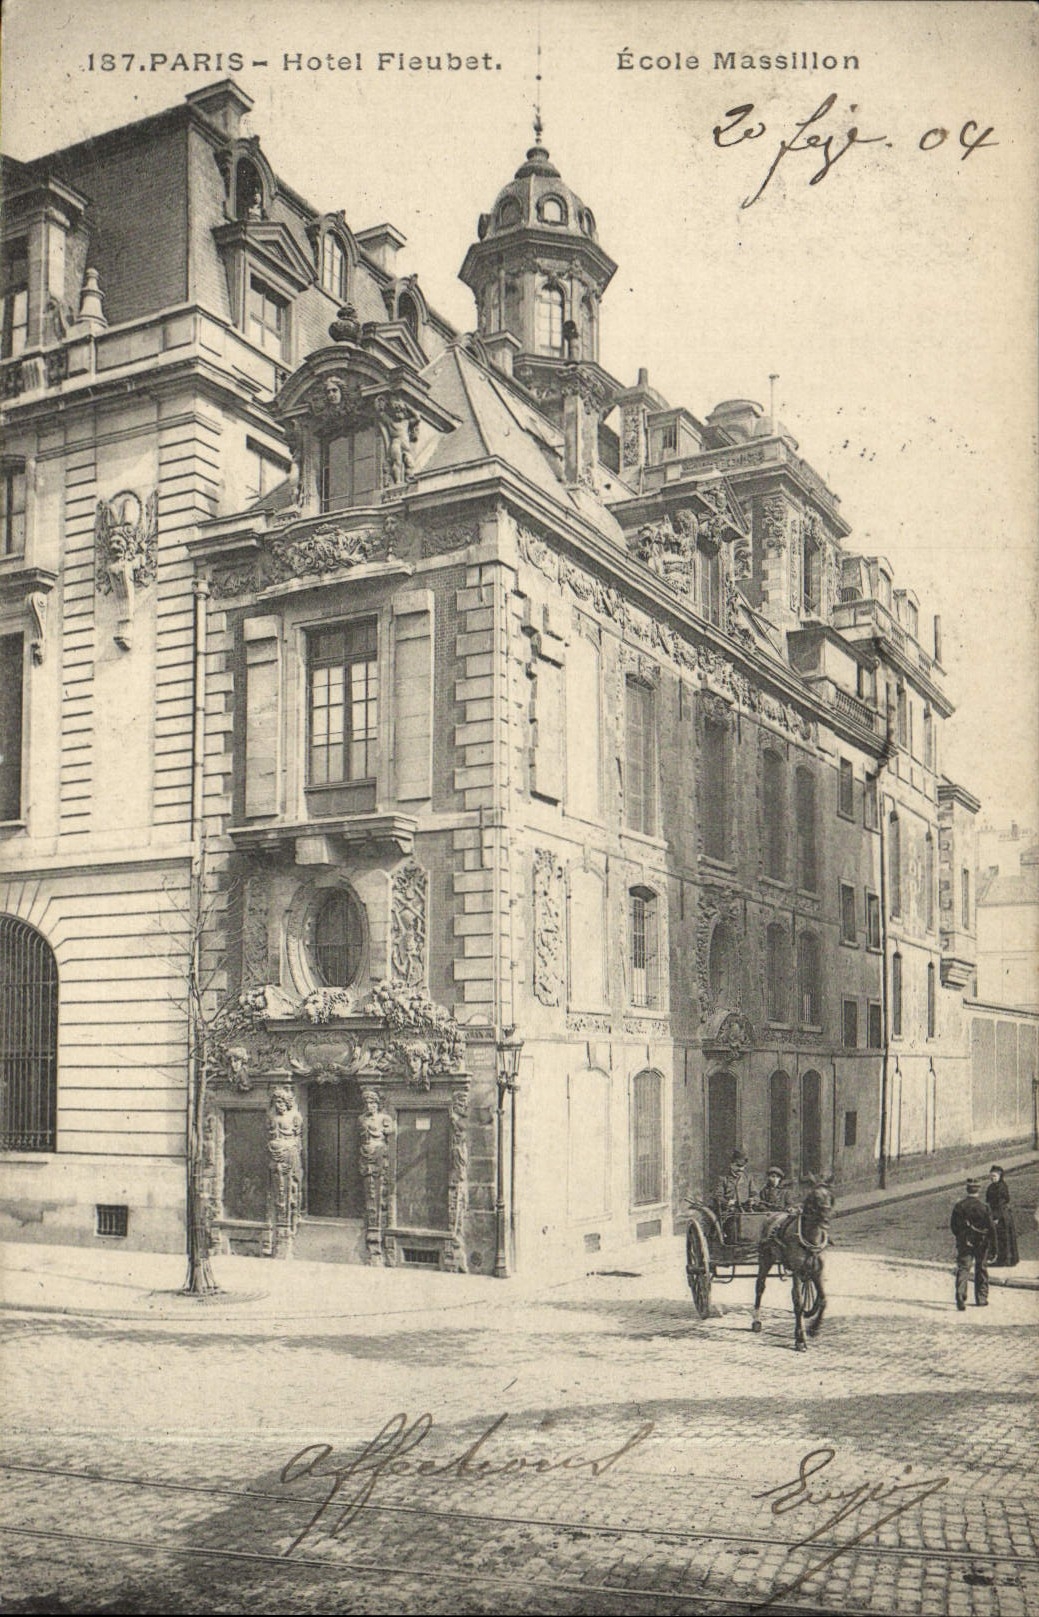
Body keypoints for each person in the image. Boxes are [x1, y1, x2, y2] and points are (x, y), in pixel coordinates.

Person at [950, 1177, 997, 1311]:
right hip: (982, 1242)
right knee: (981, 1268)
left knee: (964, 1268)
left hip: (965, 1242)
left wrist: (961, 1237)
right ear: (979, 1191)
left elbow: (953, 1226)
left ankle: (960, 1294)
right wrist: (994, 1247)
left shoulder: (959, 1206)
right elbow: (991, 1228)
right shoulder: (984, 1207)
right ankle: (981, 1298)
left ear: (967, 1189)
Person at [714, 1149, 755, 1243]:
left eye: (743, 1166)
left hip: (746, 1211)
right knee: (734, 1230)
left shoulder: (748, 1178)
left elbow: (754, 1193)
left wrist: (753, 1200)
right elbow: (718, 1196)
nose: (741, 1169)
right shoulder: (723, 1178)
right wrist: (727, 1202)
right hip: (729, 1212)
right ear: (731, 1164)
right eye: (738, 1166)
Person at [985, 1165, 1020, 1268]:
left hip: (1002, 1215)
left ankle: (1004, 1260)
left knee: (1002, 1238)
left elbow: (1002, 1203)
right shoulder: (991, 1187)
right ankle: (1006, 1259)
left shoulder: (1001, 1187)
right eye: (991, 1176)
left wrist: (996, 1218)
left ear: (1000, 1176)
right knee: (1001, 1238)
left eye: (995, 1176)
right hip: (999, 1214)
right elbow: (988, 1202)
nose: (992, 1178)